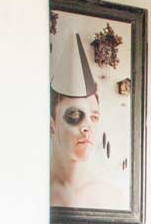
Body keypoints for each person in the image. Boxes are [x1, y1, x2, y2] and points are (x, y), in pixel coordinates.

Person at [49, 29, 125, 210]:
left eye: (94, 117)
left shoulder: (112, 197)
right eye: (75, 115)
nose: (87, 127)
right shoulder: (31, 190)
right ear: (52, 125)